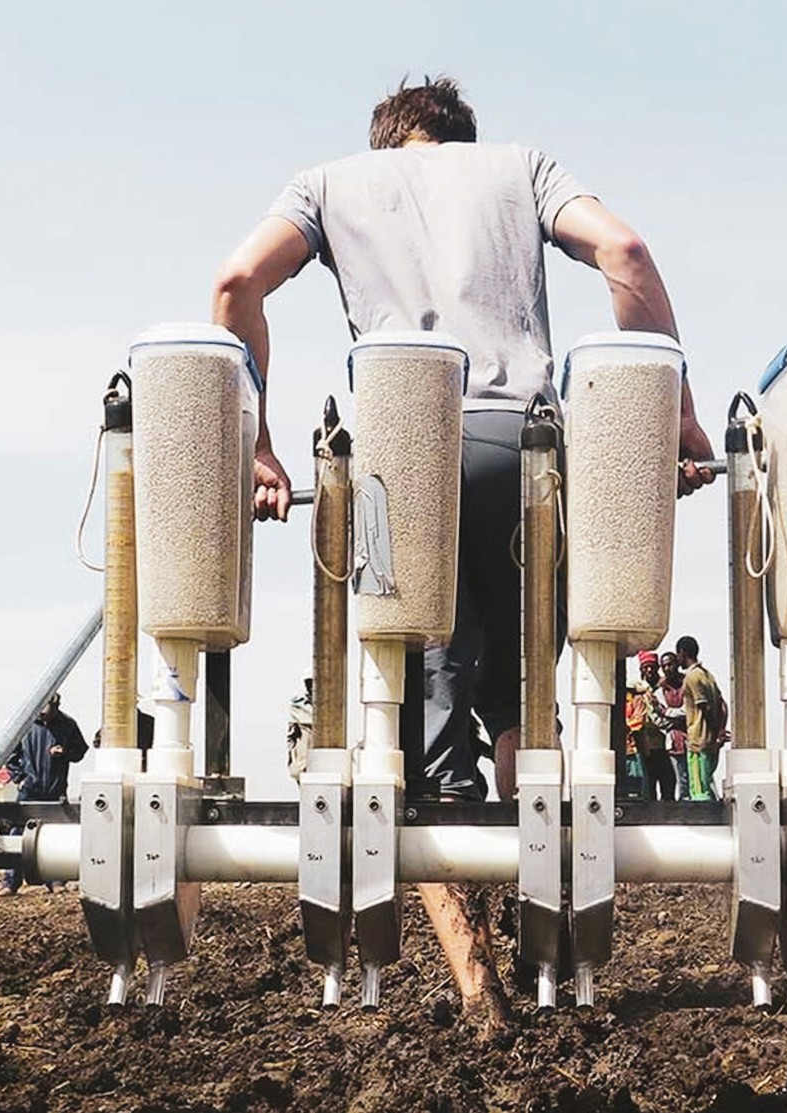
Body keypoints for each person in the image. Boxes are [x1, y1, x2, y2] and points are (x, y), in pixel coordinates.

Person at [212, 77, 715, 803]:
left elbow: (236, 282)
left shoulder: (326, 185)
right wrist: (675, 414)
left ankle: (450, 834)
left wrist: (256, 446)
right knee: (522, 701)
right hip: (524, 453)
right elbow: (626, 251)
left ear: (386, 139)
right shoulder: (524, 168)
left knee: (427, 677)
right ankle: (535, 890)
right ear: (459, 136)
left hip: (401, 457)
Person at [0, 693, 88, 895]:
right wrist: (19, 778)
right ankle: (10, 882)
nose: (45, 718)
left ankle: (55, 881)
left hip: (55, 789)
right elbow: (9, 756)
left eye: (48, 715)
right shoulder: (24, 725)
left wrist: (65, 752)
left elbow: (80, 750)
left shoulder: (67, 724)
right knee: (18, 833)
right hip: (29, 790)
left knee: (56, 835)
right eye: (42, 714)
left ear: (57, 708)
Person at [674, 636, 728, 801]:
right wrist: (720, 729)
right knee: (707, 787)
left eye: (678, 654)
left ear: (683, 653)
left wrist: (714, 729)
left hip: (699, 741)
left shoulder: (692, 677)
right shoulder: (708, 676)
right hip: (711, 743)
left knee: (699, 792)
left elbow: (704, 707)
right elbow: (723, 705)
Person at [627, 651, 678, 801]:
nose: (649, 671)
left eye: (652, 667)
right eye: (645, 667)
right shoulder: (636, 690)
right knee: (648, 789)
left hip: (666, 746)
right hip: (645, 747)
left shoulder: (665, 688)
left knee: (668, 784)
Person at [656, 651, 690, 795]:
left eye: (670, 664)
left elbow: (689, 711)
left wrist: (668, 712)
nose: (668, 668)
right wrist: (671, 717)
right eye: (664, 666)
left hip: (692, 738)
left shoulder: (688, 684)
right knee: (680, 781)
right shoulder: (660, 691)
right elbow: (660, 721)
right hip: (673, 741)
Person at [285, 675, 315, 780]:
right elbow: (292, 734)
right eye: (309, 684)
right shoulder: (299, 704)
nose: (311, 687)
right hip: (305, 741)